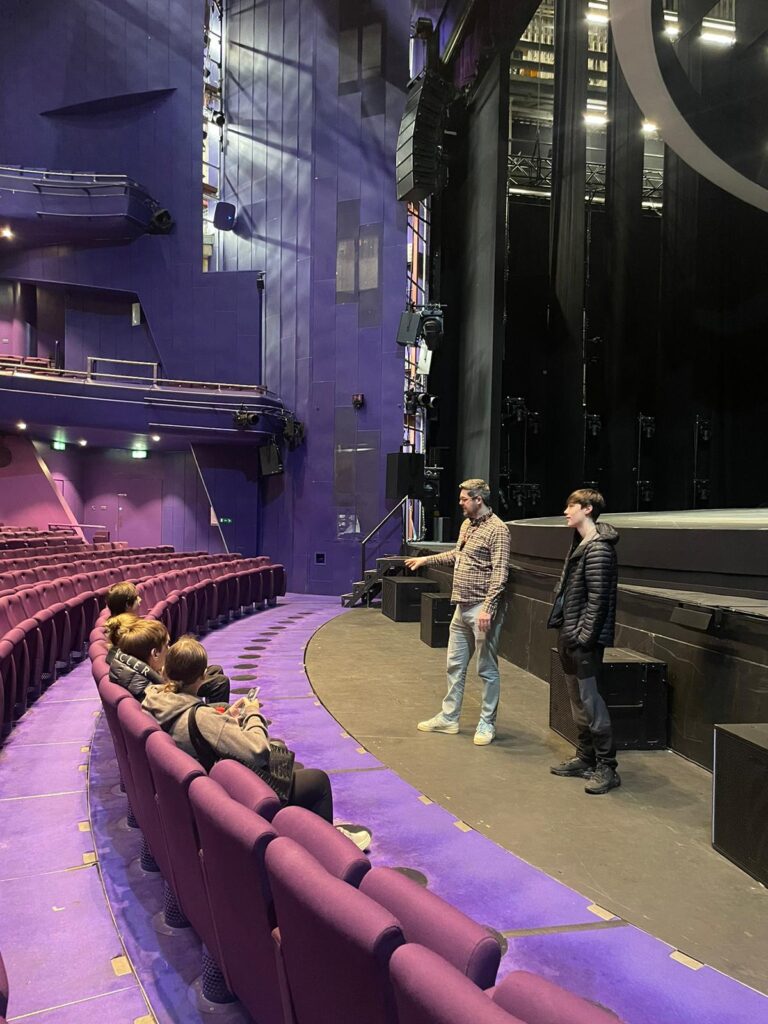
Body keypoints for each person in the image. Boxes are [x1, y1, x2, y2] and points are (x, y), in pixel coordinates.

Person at [142, 636, 371, 850]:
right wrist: (253, 713)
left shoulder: (154, 698)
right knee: (317, 781)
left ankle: (304, 833)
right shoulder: (202, 717)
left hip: (199, 785)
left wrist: (227, 717)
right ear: (201, 677)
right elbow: (258, 751)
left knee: (284, 757)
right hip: (227, 789)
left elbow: (202, 728)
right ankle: (330, 848)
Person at [405, 478, 511, 746]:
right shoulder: (467, 525)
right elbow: (457, 555)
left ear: (478, 499)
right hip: (461, 607)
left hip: (481, 609)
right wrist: (426, 559)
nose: (460, 503)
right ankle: (449, 718)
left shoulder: (498, 530)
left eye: (464, 499)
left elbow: (500, 573)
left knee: (486, 669)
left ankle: (487, 723)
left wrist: (488, 608)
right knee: (454, 665)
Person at [547, 488, 620, 795]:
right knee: (577, 701)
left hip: (582, 640)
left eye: (571, 506)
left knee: (592, 702)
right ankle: (586, 757)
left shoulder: (599, 548)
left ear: (587, 509)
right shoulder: (579, 543)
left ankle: (607, 767)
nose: (566, 511)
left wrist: (584, 637)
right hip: (570, 635)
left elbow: (599, 600)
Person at [108, 618, 169, 698]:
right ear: (155, 653)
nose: (169, 649)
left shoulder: (120, 669)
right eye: (167, 645)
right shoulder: (153, 697)